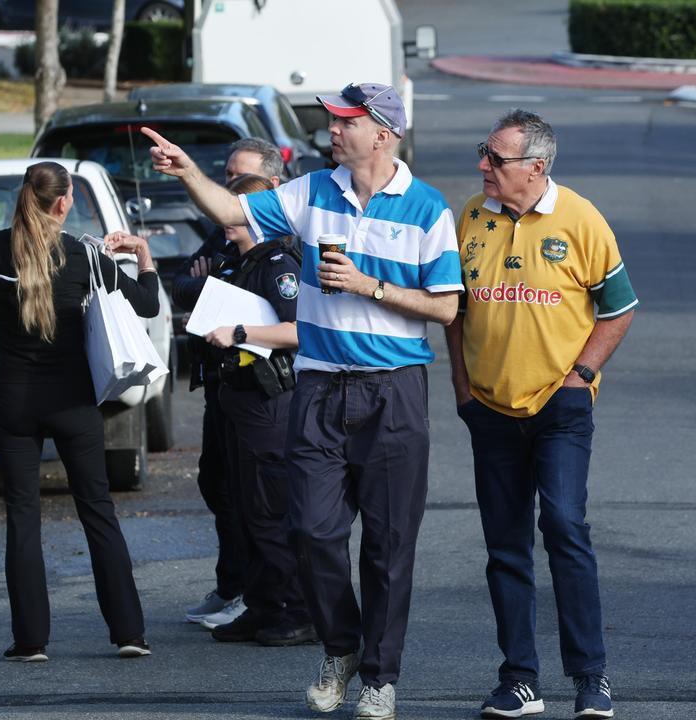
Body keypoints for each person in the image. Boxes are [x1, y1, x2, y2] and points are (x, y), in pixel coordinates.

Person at [143, 82, 462, 720]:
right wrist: (188, 173)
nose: (332, 130)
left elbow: (447, 306)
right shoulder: (312, 191)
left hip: (392, 391)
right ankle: (340, 649)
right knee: (312, 532)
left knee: (389, 546)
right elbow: (233, 215)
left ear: (382, 131)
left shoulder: (428, 209)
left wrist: (372, 287)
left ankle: (379, 677)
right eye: (332, 120)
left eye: (345, 122)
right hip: (317, 388)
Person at [445, 109, 637, 720]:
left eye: (495, 159)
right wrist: (462, 387)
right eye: (484, 153)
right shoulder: (471, 215)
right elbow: (456, 309)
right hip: (490, 407)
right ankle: (519, 679)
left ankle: (591, 677)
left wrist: (581, 376)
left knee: (563, 526)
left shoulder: (581, 219)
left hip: (559, 404)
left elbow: (620, 308)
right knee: (505, 547)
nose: (483, 166)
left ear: (536, 167)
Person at [0, 161, 160, 663]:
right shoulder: (84, 254)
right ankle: (129, 632)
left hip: (14, 397)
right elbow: (147, 305)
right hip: (73, 401)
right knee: (97, 511)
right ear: (65, 202)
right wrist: (142, 252)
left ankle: (31, 641)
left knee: (23, 516)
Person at [197, 173, 315, 647]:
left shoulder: (277, 264)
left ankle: (299, 611)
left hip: (270, 402)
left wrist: (241, 332)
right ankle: (263, 604)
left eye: (236, 209)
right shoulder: (239, 262)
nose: (226, 218)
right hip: (238, 400)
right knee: (245, 510)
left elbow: (300, 329)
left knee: (272, 510)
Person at [174, 138, 287, 628]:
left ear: (271, 188)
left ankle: (270, 598)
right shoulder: (225, 240)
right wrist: (207, 285)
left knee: (262, 500)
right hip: (223, 387)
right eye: (226, 179)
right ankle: (235, 586)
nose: (227, 194)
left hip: (260, 388)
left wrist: (221, 301)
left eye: (240, 181)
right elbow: (184, 285)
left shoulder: (277, 251)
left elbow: (293, 322)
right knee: (222, 486)